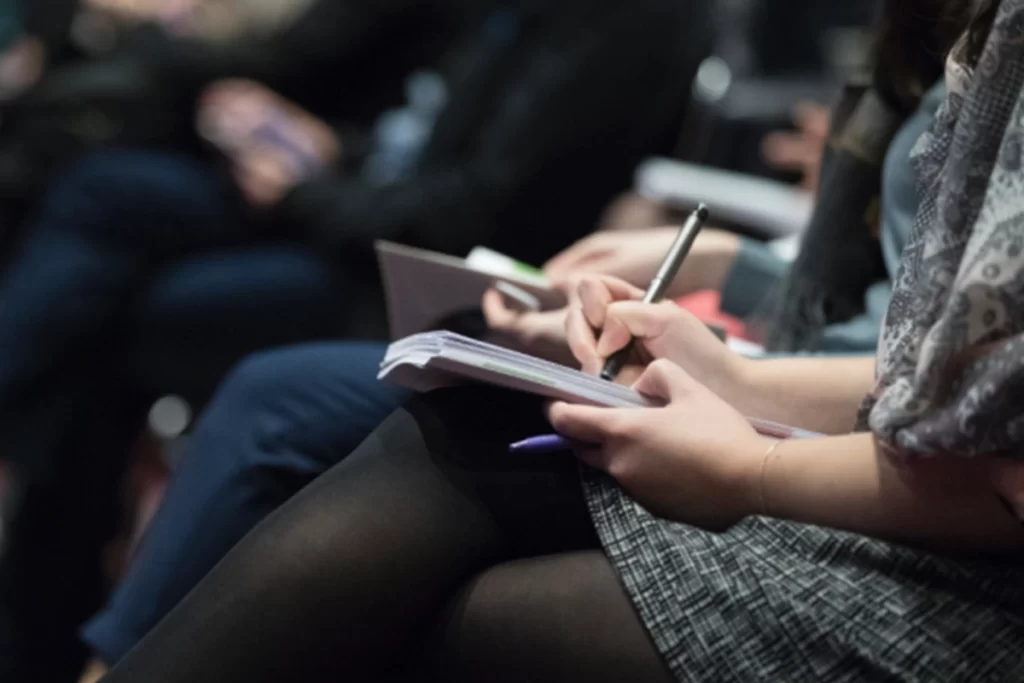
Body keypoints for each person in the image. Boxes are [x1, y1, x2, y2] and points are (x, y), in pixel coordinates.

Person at [96, 0, 1024, 680]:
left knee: (432, 583)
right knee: (438, 423)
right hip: (859, 426)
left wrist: (751, 461)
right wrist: (730, 373)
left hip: (966, 576)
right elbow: (934, 368)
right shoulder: (959, 29)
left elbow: (988, 450)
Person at [0, 2, 711, 681]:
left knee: (219, 367)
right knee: (106, 225)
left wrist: (304, 190)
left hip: (442, 286)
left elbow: (468, 213)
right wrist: (328, 148)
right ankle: (53, 634)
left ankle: (73, 646)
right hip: (375, 220)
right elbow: (426, 139)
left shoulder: (629, 20)